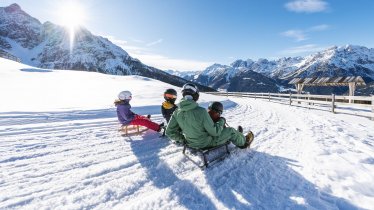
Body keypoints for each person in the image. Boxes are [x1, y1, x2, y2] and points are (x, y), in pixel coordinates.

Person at [166, 83, 253, 149]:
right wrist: (222, 120)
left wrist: (184, 139)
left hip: (190, 142)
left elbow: (169, 132)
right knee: (231, 131)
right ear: (196, 96)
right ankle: (244, 142)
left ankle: (238, 136)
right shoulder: (201, 111)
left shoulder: (176, 112)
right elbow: (215, 132)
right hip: (206, 143)